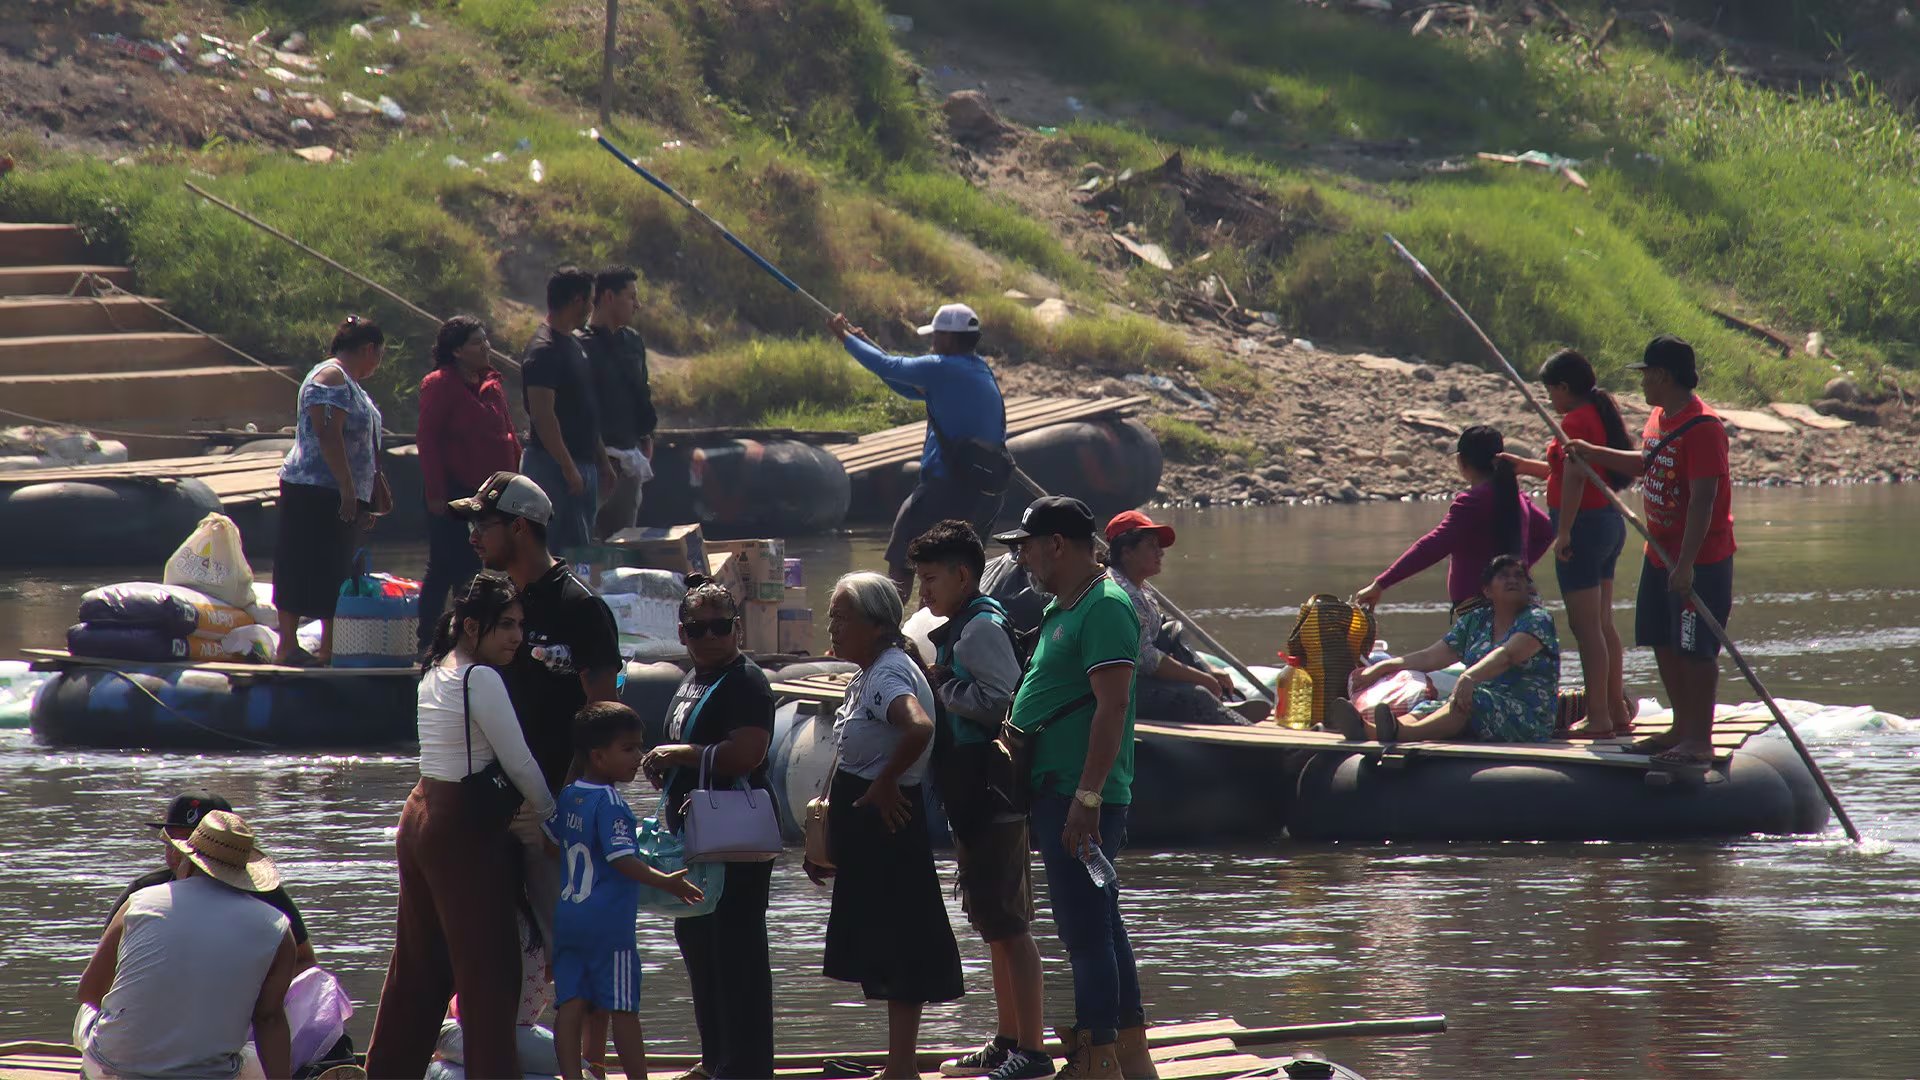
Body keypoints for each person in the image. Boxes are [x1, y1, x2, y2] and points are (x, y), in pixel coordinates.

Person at [364, 571, 555, 1080]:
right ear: (472, 626)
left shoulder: (435, 669)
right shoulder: (480, 677)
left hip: (419, 818)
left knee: (418, 968)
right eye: (506, 625)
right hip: (461, 830)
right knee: (489, 972)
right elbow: (519, 763)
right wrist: (550, 816)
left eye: (520, 625)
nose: (517, 636)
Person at [994, 497, 1147, 1080]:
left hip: (1079, 797)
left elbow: (1112, 708)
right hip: (1058, 791)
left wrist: (1087, 799)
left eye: (1026, 546)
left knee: (1084, 932)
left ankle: (1096, 1056)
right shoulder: (1066, 606)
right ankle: (1127, 1052)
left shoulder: (1104, 606)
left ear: (1056, 544)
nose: (1021, 558)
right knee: (1101, 922)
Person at [908, 522, 1053, 1080]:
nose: (923, 592)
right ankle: (1007, 1038)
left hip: (994, 793)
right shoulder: (963, 626)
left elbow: (1006, 700)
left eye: (930, 579)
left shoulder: (980, 629)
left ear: (964, 576)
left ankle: (1032, 1052)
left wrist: (940, 686)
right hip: (971, 794)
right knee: (994, 923)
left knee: (1011, 925)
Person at [807, 571, 964, 1080]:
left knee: (901, 943)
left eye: (842, 617)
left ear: (876, 625)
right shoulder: (870, 672)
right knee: (885, 941)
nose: (833, 627)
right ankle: (899, 1065)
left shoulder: (888, 673)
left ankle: (902, 1068)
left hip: (889, 824)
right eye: (832, 616)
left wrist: (886, 783)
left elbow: (918, 727)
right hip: (869, 828)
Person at [1567, 335, 1736, 772]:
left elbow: (1703, 500)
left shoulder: (1704, 428)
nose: (1641, 383)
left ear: (1662, 375)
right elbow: (1646, 462)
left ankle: (1699, 740)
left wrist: (1687, 565)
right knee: (1661, 638)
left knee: (1695, 649)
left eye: (1645, 375)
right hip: (1659, 553)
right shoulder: (1659, 417)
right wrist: (1592, 453)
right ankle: (1680, 728)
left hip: (1699, 561)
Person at [641, 576, 778, 1079]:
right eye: (699, 629)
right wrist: (665, 767)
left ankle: (746, 1066)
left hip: (733, 835)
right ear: (682, 633)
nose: (711, 636)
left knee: (737, 949)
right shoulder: (692, 677)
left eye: (721, 626)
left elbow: (747, 753)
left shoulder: (744, 681)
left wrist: (680, 754)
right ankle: (716, 1058)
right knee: (700, 946)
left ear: (737, 629)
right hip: (692, 834)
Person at [546, 703, 706, 1080]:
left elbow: (549, 844)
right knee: (623, 1008)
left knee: (570, 1005)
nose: (638, 756)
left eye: (640, 747)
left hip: (569, 917)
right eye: (628, 748)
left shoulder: (569, 795)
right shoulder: (611, 802)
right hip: (608, 926)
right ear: (598, 756)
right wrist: (666, 882)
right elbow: (622, 860)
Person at [78, 810, 298, 1080]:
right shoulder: (277, 926)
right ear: (243, 872)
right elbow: (268, 1019)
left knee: (87, 1012)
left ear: (189, 860)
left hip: (116, 1069)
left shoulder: (139, 901)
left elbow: (90, 991)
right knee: (250, 1054)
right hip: (209, 1074)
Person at [453, 472, 623, 795]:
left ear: (519, 527)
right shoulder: (494, 602)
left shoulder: (581, 606)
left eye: (483, 526)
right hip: (499, 792)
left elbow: (604, 717)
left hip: (556, 791)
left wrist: (570, 801)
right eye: (471, 527)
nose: (473, 538)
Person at [828, 304, 1009, 601]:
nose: (932, 342)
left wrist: (845, 338)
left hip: (947, 487)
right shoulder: (978, 369)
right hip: (985, 493)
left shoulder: (943, 367)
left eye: (935, 336)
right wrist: (863, 343)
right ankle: (952, 620)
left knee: (904, 552)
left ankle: (889, 619)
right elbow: (906, 386)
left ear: (949, 338)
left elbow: (889, 366)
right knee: (957, 567)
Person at [1498, 349, 1635, 739]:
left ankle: (1599, 718)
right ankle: (1616, 713)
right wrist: (1524, 467)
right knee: (1603, 623)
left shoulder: (1574, 420)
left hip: (1583, 528)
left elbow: (1575, 478)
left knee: (1585, 627)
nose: (1550, 399)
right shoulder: (1596, 414)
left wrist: (1564, 533)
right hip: (1606, 522)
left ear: (1563, 387)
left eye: (1550, 391)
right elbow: (1565, 471)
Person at [1337, 555, 1561, 744]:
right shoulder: (1476, 621)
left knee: (1472, 699)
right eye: (1504, 576)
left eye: (1519, 576)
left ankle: (1402, 734)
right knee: (1429, 707)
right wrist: (1382, 667)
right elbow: (1430, 657)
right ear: (1487, 591)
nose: (1513, 580)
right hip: (1478, 702)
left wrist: (1469, 677)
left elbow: (1507, 655)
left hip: (1527, 717)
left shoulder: (1537, 619)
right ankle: (1371, 730)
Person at [273, 315, 391, 666]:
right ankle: (288, 646)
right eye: (379, 355)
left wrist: (365, 496)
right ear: (368, 349)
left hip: (340, 491)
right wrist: (348, 490)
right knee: (300, 563)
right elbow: (328, 434)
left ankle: (329, 647)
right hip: (316, 489)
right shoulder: (331, 377)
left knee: (337, 567)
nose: (377, 364)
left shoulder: (350, 384)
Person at [107, 791, 318, 973]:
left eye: (190, 842)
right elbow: (108, 964)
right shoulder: (143, 891)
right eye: (172, 841)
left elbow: (305, 961)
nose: (177, 852)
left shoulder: (266, 895)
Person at [1353, 425, 1551, 613]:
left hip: (1481, 609)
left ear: (1461, 461)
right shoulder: (1517, 497)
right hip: (1520, 601)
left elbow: (1432, 546)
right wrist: (1516, 572)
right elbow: (1547, 532)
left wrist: (1381, 584)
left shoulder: (1473, 502)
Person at [416, 315, 521, 652]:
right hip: (452, 491)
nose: (486, 347)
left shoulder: (491, 385)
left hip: (489, 495)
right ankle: (427, 641)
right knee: (443, 566)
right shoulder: (440, 384)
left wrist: (516, 483)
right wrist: (436, 493)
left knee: (476, 568)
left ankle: (467, 637)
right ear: (457, 351)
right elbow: (428, 440)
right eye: (477, 342)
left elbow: (508, 434)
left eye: (485, 340)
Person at [1103, 510, 1244, 726]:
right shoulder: (1121, 593)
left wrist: (1208, 669)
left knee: (1172, 631)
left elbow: (1161, 635)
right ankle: (1235, 723)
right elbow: (1146, 659)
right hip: (1116, 691)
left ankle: (1223, 702)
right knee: (1198, 695)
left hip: (1137, 679)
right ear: (1126, 552)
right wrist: (1202, 679)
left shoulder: (1142, 590)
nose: (1160, 552)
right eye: (1151, 546)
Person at [522, 266, 615, 553]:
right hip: (552, 467)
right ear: (577, 300)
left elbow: (585, 409)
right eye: (590, 300)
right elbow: (543, 416)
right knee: (548, 551)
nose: (592, 308)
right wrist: (567, 466)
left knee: (579, 552)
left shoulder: (574, 344)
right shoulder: (544, 349)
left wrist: (602, 460)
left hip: (581, 464)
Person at [578, 266, 658, 541]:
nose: (637, 304)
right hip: (592, 463)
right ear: (609, 297)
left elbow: (641, 392)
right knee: (584, 542)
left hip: (629, 458)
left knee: (624, 545)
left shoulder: (633, 342)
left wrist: (646, 435)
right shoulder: (580, 345)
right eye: (631, 296)